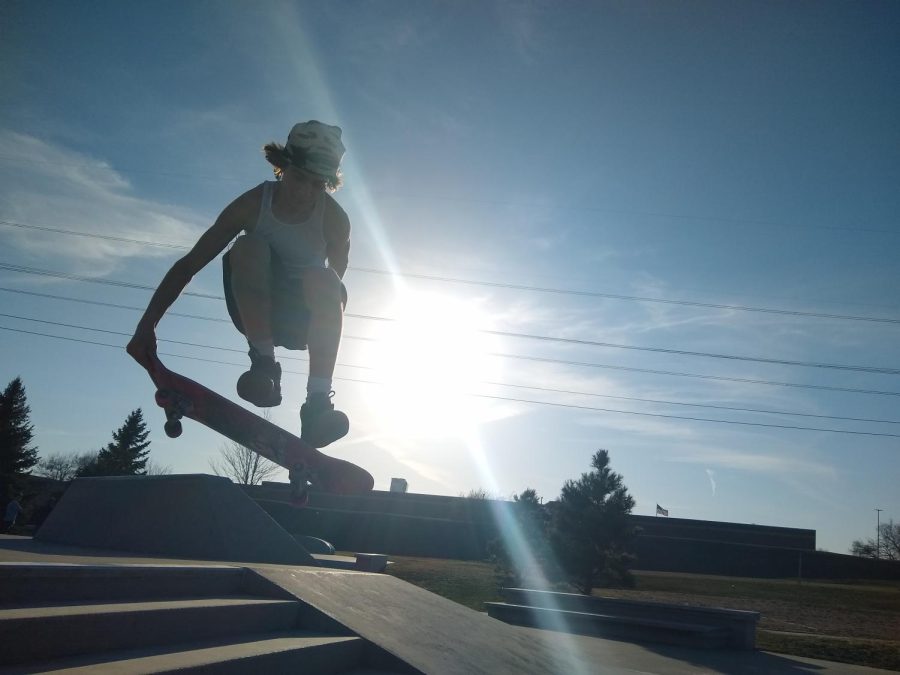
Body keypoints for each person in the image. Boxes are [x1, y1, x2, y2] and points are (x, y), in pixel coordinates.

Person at [127, 121, 351, 448]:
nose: (305, 193)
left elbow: (335, 287)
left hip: (301, 318)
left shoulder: (334, 219)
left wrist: (317, 320)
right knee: (247, 248)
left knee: (324, 279)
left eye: (317, 185)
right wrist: (146, 326)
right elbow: (189, 265)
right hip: (253, 306)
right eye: (300, 178)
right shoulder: (252, 205)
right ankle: (264, 365)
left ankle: (318, 404)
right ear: (283, 167)